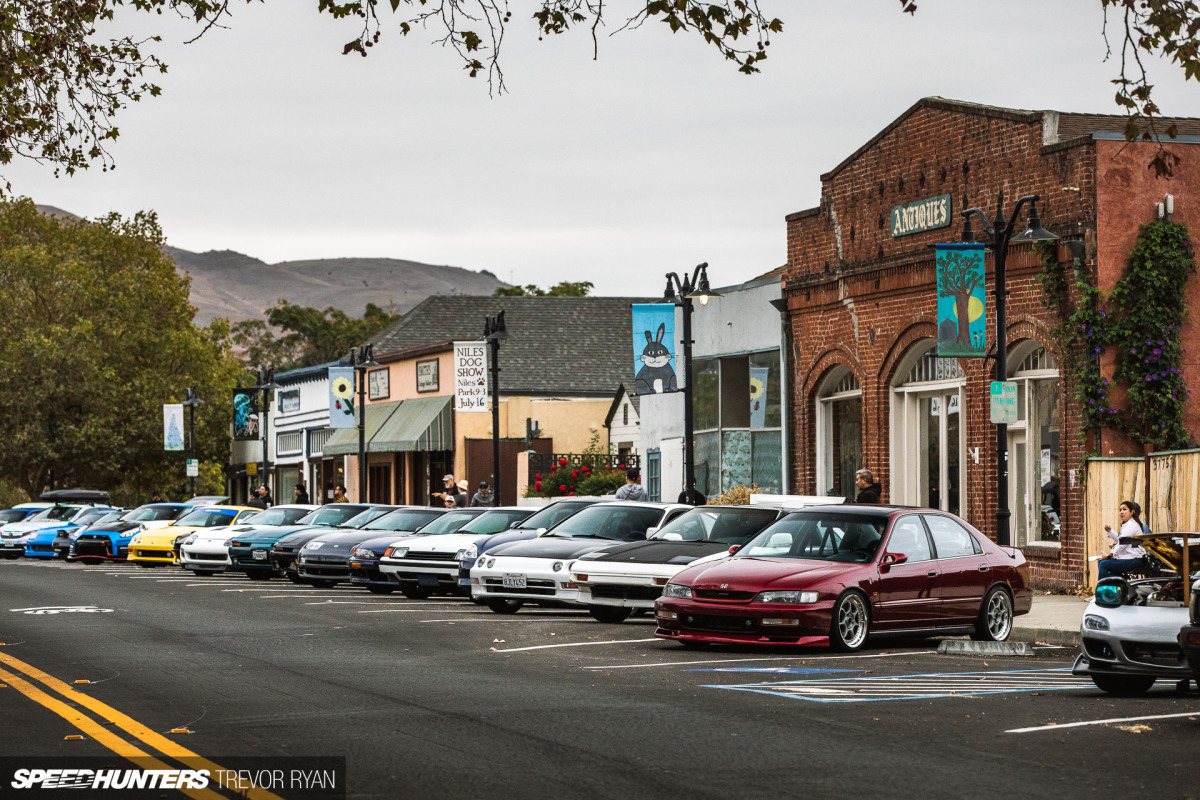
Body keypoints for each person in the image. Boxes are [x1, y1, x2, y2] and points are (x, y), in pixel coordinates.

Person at [1098, 500, 1149, 580]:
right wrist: (1110, 531)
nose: (1121, 512)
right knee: (1101, 562)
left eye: (1124, 509)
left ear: (1132, 512)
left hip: (1136, 559)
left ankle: (1106, 589)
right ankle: (1119, 583)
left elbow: (1122, 544)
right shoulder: (1127, 524)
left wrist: (1109, 556)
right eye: (1120, 510)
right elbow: (1121, 540)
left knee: (1103, 564)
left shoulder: (1131, 525)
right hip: (1130, 557)